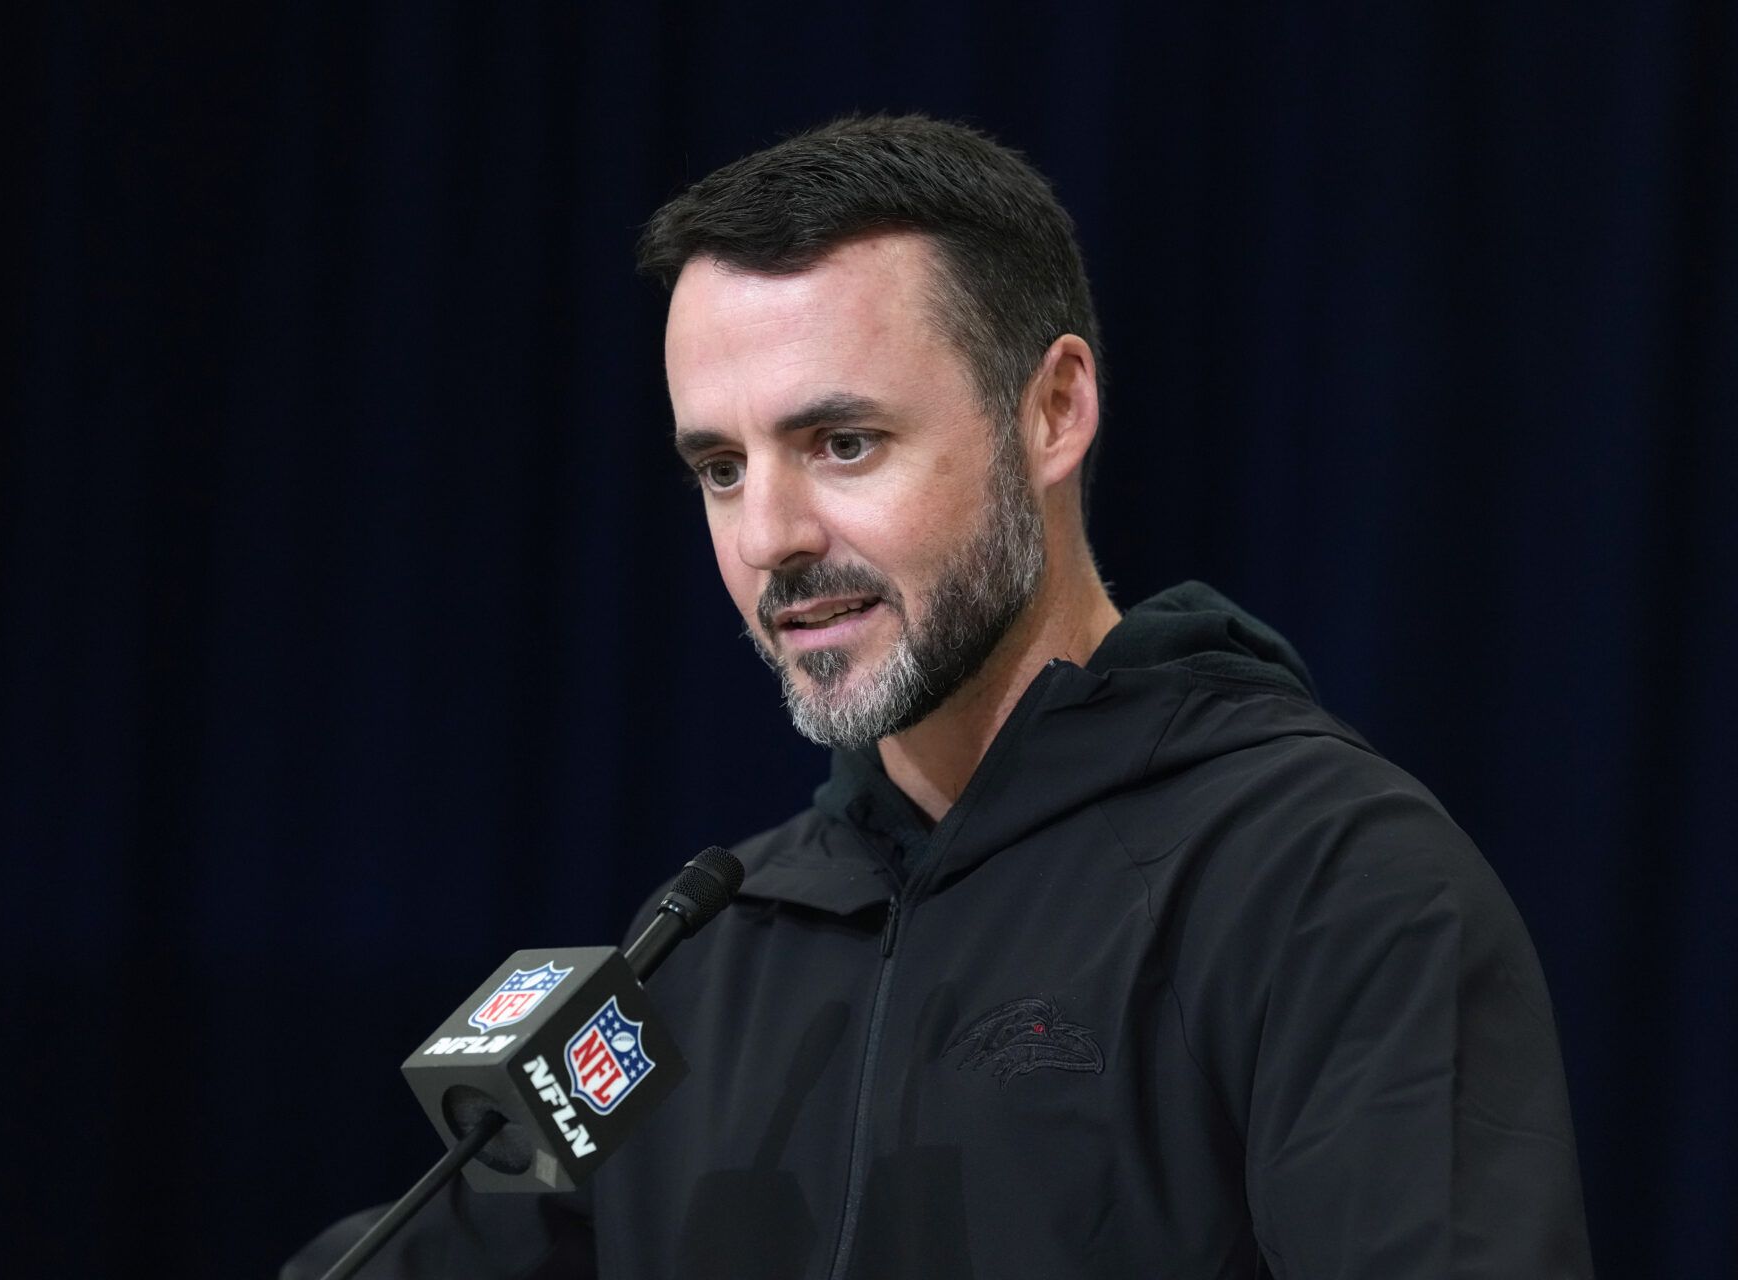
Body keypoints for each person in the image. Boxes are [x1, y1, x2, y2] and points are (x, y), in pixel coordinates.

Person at [288, 114, 1592, 1279]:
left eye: (840, 442)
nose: (768, 537)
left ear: (1054, 412)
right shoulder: (704, 958)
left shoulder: (1325, 882)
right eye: (721, 468)